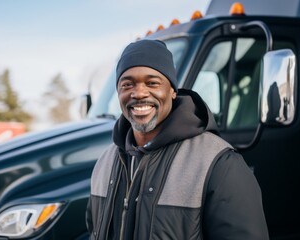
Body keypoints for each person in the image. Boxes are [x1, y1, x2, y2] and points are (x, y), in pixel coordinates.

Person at [86, 39, 269, 239]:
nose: (138, 93)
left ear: (172, 91)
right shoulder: (105, 162)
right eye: (127, 84)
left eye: (152, 83)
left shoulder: (219, 164)